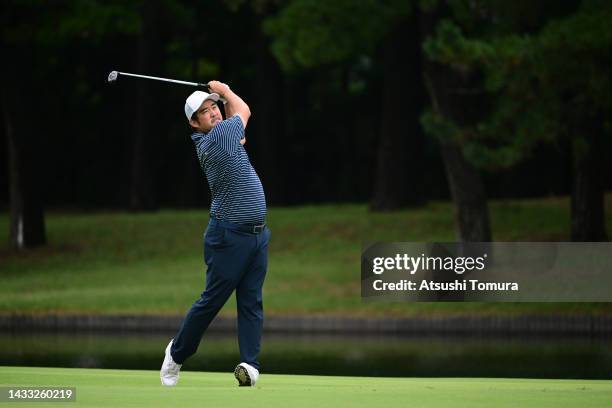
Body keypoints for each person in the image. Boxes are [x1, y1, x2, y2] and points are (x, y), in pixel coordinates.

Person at [160, 80, 270, 387]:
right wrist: (226, 91)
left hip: (257, 236)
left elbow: (238, 120)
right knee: (211, 302)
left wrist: (223, 97)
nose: (214, 113)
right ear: (194, 123)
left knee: (251, 302)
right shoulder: (217, 139)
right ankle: (177, 353)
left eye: (214, 107)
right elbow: (244, 110)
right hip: (229, 237)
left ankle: (249, 365)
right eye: (205, 112)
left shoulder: (226, 135)